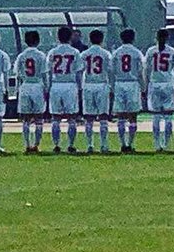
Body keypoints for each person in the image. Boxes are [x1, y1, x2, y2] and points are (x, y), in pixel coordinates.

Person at [47, 26, 83, 155]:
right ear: (70, 37)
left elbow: (49, 72)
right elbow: (78, 72)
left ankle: (56, 144)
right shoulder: (75, 52)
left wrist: (48, 87)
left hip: (56, 85)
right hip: (70, 84)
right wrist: (79, 88)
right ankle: (71, 145)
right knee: (71, 118)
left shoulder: (52, 52)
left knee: (56, 118)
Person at [144, 29, 174, 152]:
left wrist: (146, 84)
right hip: (168, 83)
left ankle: (157, 144)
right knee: (168, 116)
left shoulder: (151, 51)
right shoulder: (173, 52)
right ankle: (165, 143)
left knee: (156, 116)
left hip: (154, 83)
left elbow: (146, 70)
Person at [13, 30, 49, 153]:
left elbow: (17, 74)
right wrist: (46, 89)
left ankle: (27, 145)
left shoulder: (21, 56)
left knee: (26, 119)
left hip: (25, 85)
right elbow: (45, 74)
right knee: (39, 118)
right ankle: (36, 145)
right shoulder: (41, 55)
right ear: (37, 41)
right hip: (37, 85)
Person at [111, 29, 146, 153]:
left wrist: (112, 87)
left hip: (120, 83)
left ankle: (122, 143)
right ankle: (130, 144)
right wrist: (143, 88)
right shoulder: (137, 53)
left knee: (121, 116)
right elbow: (141, 72)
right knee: (132, 116)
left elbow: (112, 71)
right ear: (133, 38)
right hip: (133, 84)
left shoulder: (116, 53)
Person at [80, 30, 114, 155]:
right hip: (101, 84)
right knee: (103, 117)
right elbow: (110, 71)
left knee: (89, 118)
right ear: (101, 39)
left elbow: (80, 70)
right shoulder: (106, 54)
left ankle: (90, 144)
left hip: (88, 85)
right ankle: (104, 145)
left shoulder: (84, 54)